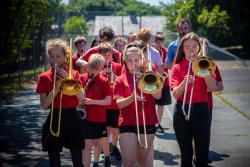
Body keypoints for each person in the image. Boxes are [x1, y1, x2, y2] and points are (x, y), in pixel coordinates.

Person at [170, 32, 217, 167]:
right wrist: (185, 83)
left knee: (202, 157)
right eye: (187, 47)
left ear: (199, 47)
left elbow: (214, 87)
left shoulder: (206, 64)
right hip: (182, 111)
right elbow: (175, 94)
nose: (191, 50)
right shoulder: (177, 67)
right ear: (182, 49)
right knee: (186, 157)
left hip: (202, 110)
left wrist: (204, 72)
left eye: (194, 46)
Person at [36, 39, 84, 167]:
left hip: (73, 118)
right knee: (54, 161)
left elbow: (82, 98)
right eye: (52, 57)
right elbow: (44, 105)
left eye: (58, 56)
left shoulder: (74, 74)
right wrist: (56, 87)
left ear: (65, 57)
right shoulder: (44, 77)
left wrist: (69, 80)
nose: (55, 60)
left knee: (78, 161)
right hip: (54, 118)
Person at [113, 43, 162, 167]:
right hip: (127, 123)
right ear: (125, 60)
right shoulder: (120, 79)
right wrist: (132, 98)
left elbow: (158, 96)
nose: (133, 63)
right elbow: (119, 104)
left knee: (142, 162)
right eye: (130, 60)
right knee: (129, 162)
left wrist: (145, 83)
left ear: (141, 60)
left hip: (148, 121)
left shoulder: (149, 75)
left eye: (136, 60)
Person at [78, 53, 112, 167]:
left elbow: (108, 101)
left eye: (96, 69)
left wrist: (92, 101)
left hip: (99, 118)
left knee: (98, 143)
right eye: (91, 68)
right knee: (87, 145)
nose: (93, 71)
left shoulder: (104, 81)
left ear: (101, 68)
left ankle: (96, 162)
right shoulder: (82, 78)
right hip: (85, 117)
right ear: (88, 66)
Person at [200, 37, 223, 163]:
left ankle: (203, 155)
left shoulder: (212, 65)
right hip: (192, 103)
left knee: (205, 132)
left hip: (207, 104)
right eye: (202, 47)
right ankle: (195, 155)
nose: (204, 50)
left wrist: (210, 88)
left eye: (206, 47)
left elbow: (220, 86)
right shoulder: (191, 64)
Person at [154, 32, 172, 133]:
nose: (159, 42)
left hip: (164, 82)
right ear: (155, 41)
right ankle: (151, 122)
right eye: (157, 40)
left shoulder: (166, 51)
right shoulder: (152, 51)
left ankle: (158, 123)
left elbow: (170, 65)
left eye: (161, 40)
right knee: (151, 104)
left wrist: (164, 65)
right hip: (152, 82)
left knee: (161, 105)